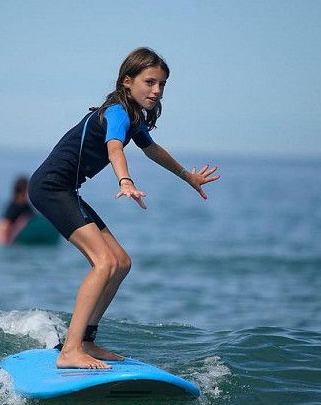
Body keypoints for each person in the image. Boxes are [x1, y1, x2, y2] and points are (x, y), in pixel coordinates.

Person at [28, 47, 220, 369]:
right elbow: (114, 147)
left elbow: (153, 150)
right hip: (50, 187)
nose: (156, 91)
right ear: (127, 82)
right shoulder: (117, 112)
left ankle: (86, 340)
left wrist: (187, 176)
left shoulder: (133, 118)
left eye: (161, 85)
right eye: (149, 82)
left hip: (66, 190)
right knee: (104, 263)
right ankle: (70, 350)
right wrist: (125, 182)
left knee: (121, 262)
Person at [0, 176, 33, 245]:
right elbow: (3, 226)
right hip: (13, 241)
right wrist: (5, 244)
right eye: (25, 192)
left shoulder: (27, 206)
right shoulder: (12, 208)